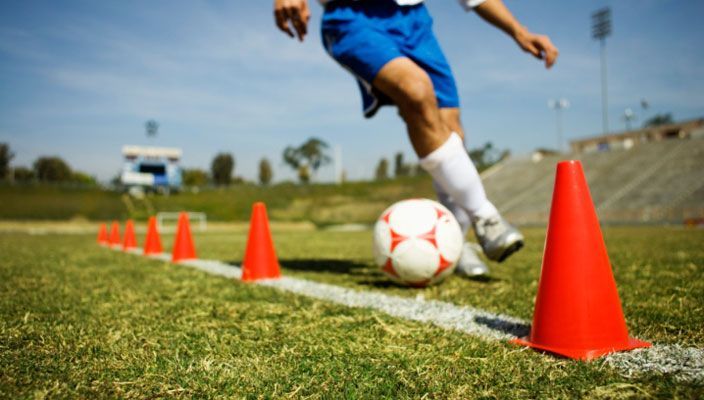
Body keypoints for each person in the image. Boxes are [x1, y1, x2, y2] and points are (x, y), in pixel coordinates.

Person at [273, 0, 558, 276]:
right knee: (416, 91)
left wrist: (518, 30)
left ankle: (453, 243)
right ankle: (486, 217)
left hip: (415, 20)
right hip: (353, 16)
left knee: (451, 129)